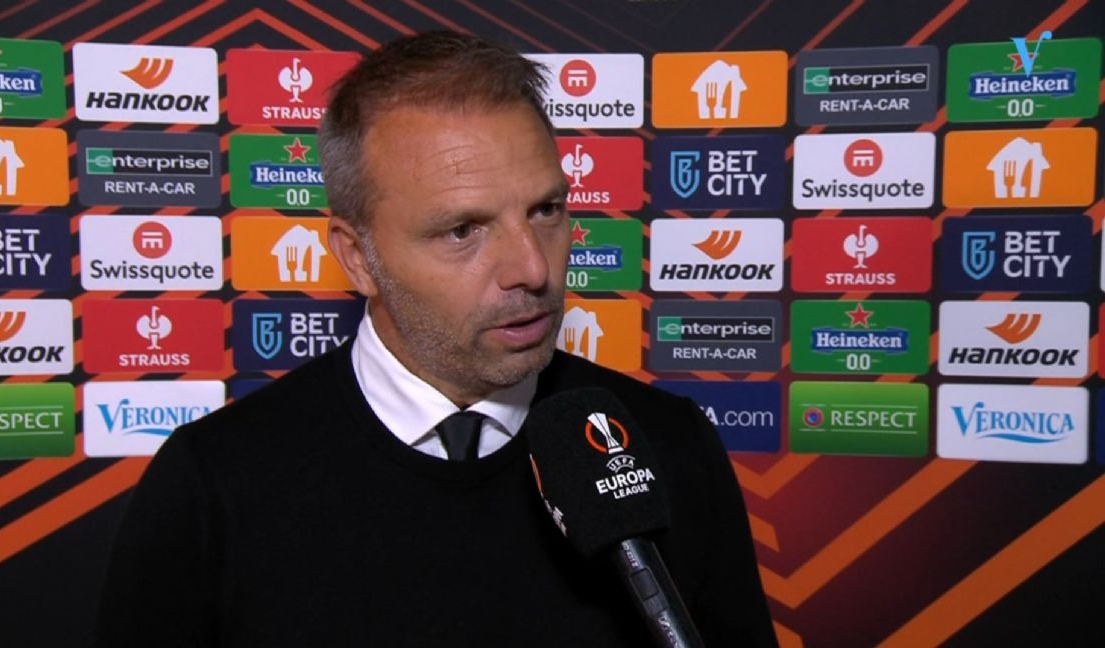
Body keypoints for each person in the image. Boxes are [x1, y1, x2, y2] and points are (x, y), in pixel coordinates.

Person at [93, 31, 777, 647]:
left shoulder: (666, 445)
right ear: (357, 258)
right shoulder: (214, 484)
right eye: (463, 231)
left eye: (546, 210)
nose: (532, 268)